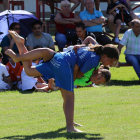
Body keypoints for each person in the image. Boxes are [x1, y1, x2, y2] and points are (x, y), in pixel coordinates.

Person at [5, 30, 119, 132]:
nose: (110, 64)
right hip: (64, 66)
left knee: (30, 70)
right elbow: (78, 74)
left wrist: (81, 45)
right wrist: (75, 69)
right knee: (69, 98)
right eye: (111, 61)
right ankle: (70, 127)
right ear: (105, 56)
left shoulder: (93, 48)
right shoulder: (95, 60)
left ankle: (20, 44)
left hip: (59, 57)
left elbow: (89, 39)